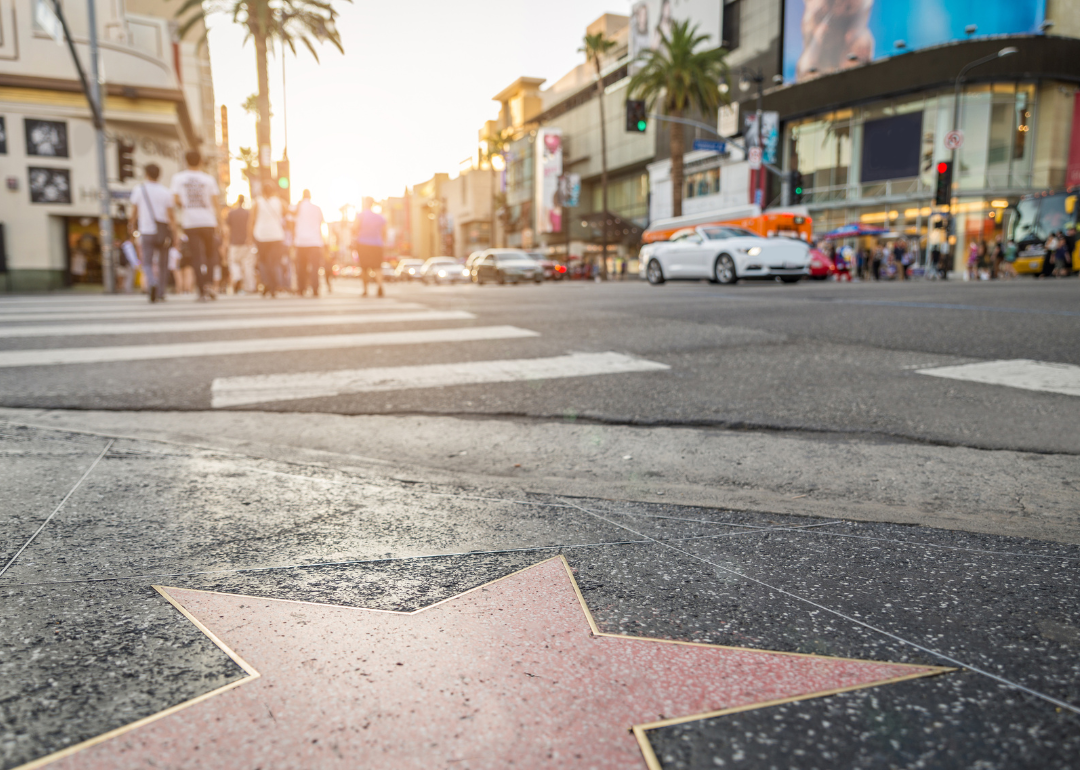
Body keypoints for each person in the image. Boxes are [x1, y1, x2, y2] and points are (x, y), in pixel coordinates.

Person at [170, 150, 221, 301]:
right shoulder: (208, 179)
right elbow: (216, 203)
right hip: (208, 221)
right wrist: (220, 223)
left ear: (186, 161)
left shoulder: (178, 178)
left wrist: (186, 205)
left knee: (197, 256)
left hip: (190, 222)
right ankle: (209, 285)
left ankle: (201, 289)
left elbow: (176, 200)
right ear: (200, 161)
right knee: (211, 254)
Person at [129, 163, 176, 302]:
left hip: (147, 231)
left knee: (147, 262)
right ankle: (161, 292)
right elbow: (171, 216)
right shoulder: (165, 191)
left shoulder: (139, 190)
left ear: (146, 174)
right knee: (163, 263)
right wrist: (175, 233)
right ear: (159, 175)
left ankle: (152, 283)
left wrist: (131, 225)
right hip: (163, 231)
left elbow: (134, 212)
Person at [248, 182, 286, 297]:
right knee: (274, 262)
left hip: (261, 236)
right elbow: (289, 213)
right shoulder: (280, 201)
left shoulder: (257, 202)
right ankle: (275, 286)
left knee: (263, 262)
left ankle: (267, 284)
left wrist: (249, 237)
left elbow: (251, 221)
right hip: (276, 235)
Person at [293, 189, 325, 297]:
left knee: (301, 266)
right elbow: (321, 223)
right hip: (315, 241)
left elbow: (290, 221)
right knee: (315, 267)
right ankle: (315, 289)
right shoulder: (317, 208)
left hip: (301, 242)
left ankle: (301, 289)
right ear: (310, 196)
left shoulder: (297, 207)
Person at [353, 196, 386, 298]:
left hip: (363, 244)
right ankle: (380, 286)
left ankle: (365, 290)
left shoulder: (360, 216)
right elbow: (384, 232)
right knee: (377, 267)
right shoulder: (380, 217)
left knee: (364, 268)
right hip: (377, 244)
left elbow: (354, 229)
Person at [224, 196, 254, 293]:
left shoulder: (231, 213)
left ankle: (237, 276)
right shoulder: (248, 213)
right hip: (246, 243)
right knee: (247, 265)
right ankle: (250, 287)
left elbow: (227, 230)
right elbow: (252, 226)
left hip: (234, 242)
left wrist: (226, 242)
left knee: (234, 262)